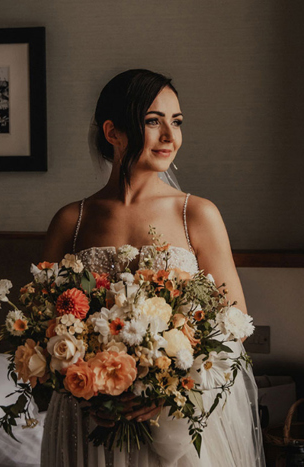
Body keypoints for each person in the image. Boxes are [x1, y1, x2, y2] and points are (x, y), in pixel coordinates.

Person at [40, 70, 264, 466]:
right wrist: (90, 382)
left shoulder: (196, 213)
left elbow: (235, 322)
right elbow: (45, 322)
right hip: (92, 416)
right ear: (113, 131)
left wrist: (166, 385)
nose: (169, 136)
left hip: (174, 416)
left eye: (176, 122)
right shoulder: (70, 221)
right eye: (152, 121)